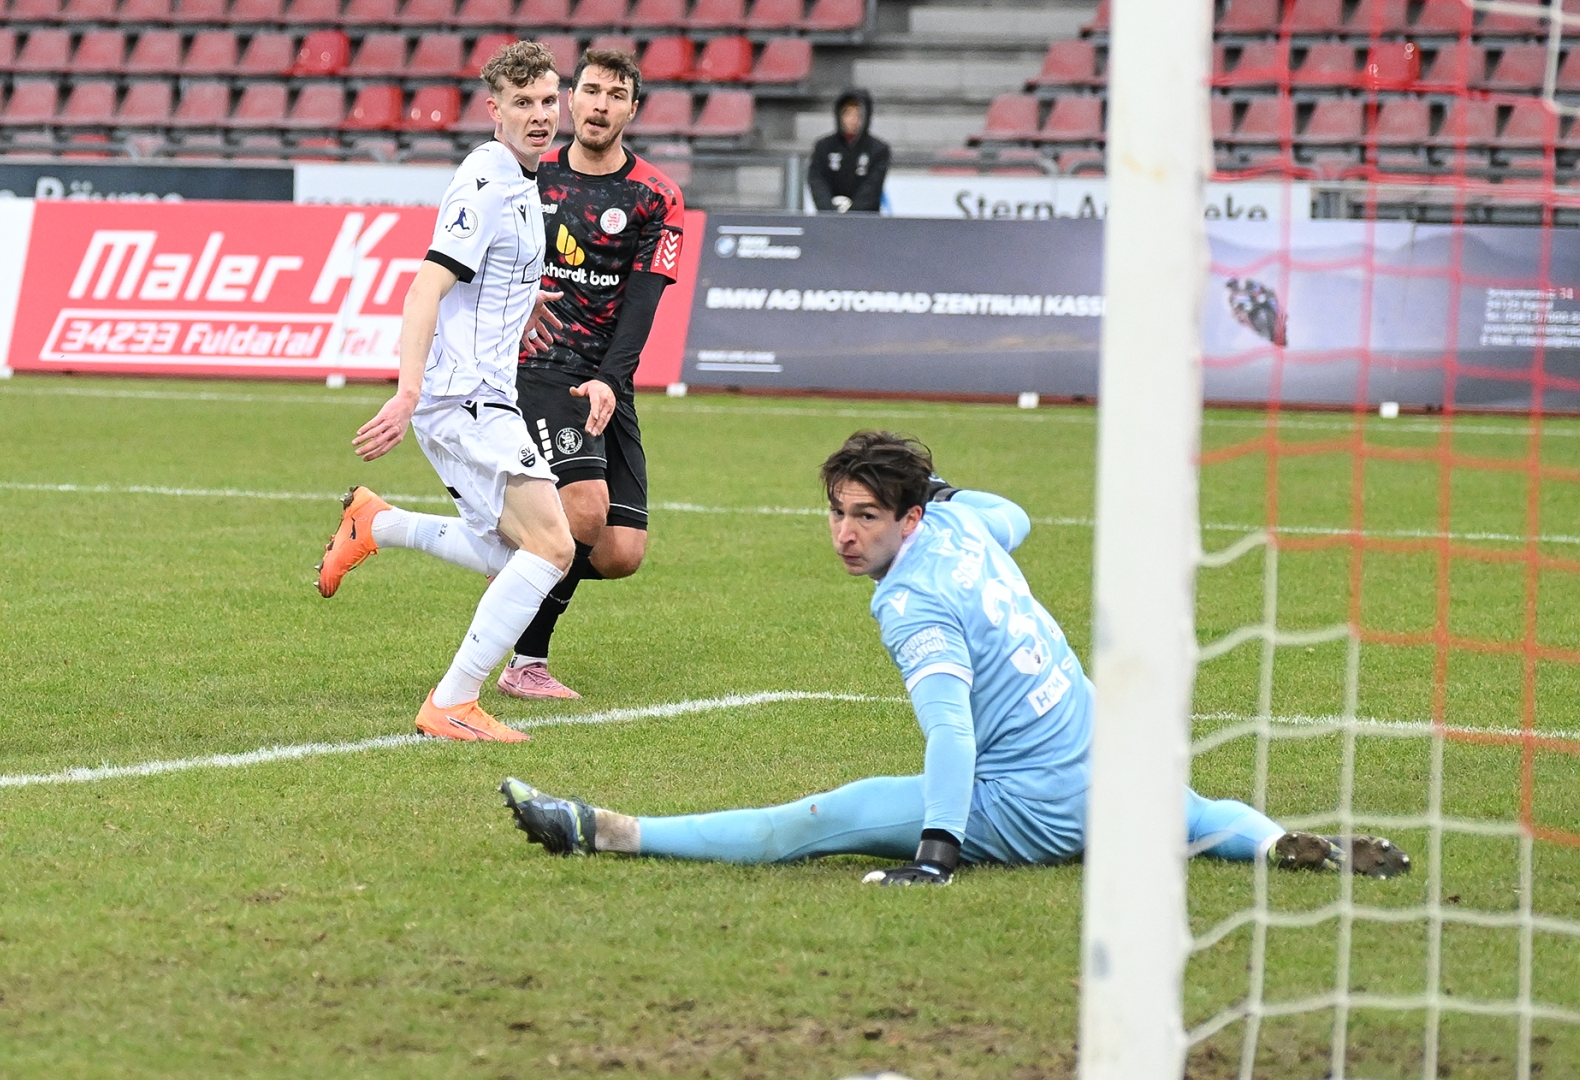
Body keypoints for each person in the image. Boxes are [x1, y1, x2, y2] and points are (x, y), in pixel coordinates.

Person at [500, 431, 1411, 884]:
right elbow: (1015, 514)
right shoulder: (964, 525)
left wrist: (937, 850)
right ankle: (1276, 841)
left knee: (822, 819)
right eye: (837, 512)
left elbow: (951, 731)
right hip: (1107, 763)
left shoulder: (911, 600)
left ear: (908, 518)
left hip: (1034, 804)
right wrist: (939, 491)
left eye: (866, 516)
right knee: (1196, 813)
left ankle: (607, 830)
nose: (845, 534)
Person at [312, 40, 576, 744]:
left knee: (509, 554)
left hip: (484, 393)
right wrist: (407, 393)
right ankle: (453, 701)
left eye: (547, 100)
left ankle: (378, 524)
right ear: (495, 110)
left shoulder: (523, 179)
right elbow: (425, 287)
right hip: (464, 397)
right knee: (553, 547)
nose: (539, 115)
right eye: (522, 103)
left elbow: (485, 274)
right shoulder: (485, 181)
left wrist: (520, 301)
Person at [497, 45, 687, 701]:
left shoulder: (656, 197)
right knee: (583, 512)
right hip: (540, 366)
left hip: (605, 378)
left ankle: (515, 561)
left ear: (633, 110)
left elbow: (642, 303)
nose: (600, 105)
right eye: (591, 91)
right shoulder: (527, 177)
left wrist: (610, 379)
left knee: (620, 551)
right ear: (570, 99)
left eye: (616, 95)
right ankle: (526, 661)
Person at [807, 89, 890, 214]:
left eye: (858, 114)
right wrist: (829, 210)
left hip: (865, 219)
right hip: (828, 218)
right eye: (848, 113)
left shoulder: (879, 150)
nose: (852, 119)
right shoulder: (824, 147)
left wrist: (852, 214)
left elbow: (873, 187)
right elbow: (817, 180)